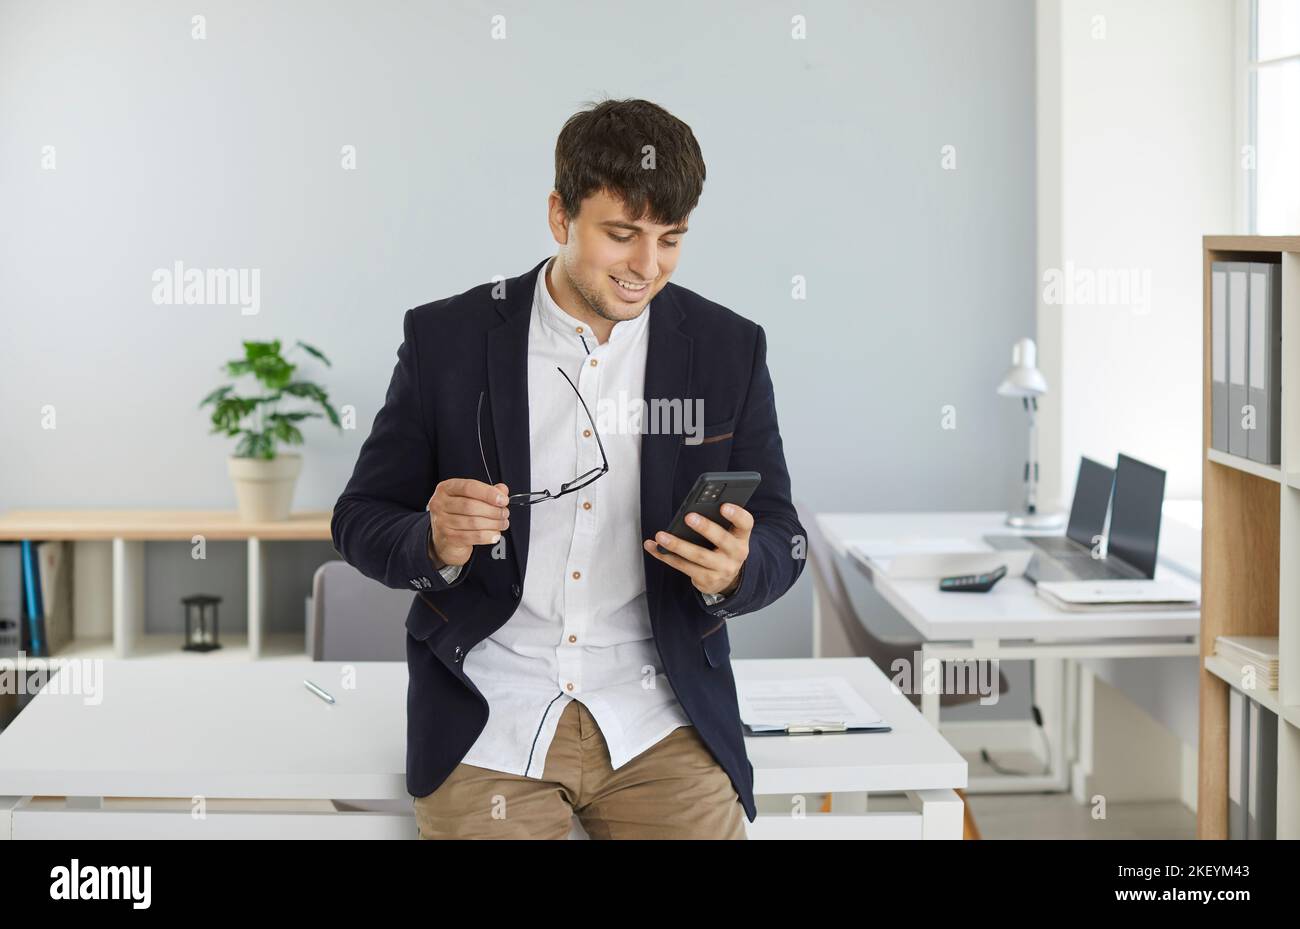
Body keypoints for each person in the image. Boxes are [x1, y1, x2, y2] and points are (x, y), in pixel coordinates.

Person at [331, 98, 804, 839]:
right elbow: (358, 518)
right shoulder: (446, 340)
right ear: (561, 216)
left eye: (670, 240)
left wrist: (739, 569)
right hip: (490, 714)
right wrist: (434, 540)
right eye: (622, 236)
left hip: (660, 714)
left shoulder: (726, 348)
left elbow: (782, 533)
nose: (646, 268)